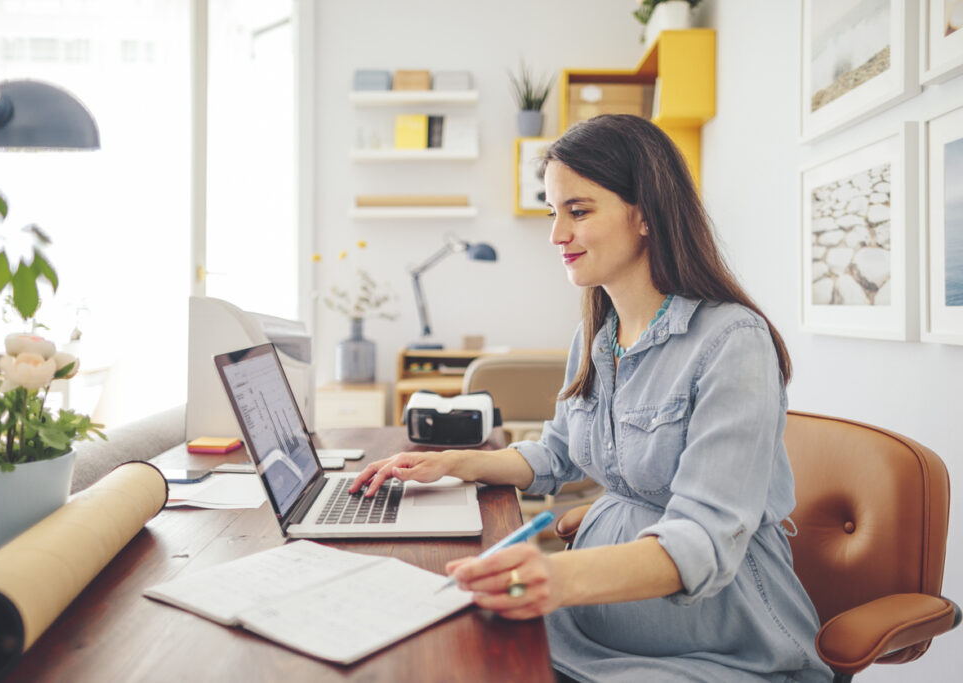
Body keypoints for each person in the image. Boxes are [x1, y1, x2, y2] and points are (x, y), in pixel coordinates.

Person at [350, 114, 830, 682]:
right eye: (554, 212)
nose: (556, 235)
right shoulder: (598, 335)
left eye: (578, 211)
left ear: (646, 213)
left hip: (715, 639)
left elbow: (704, 540)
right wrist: (455, 464)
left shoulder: (732, 342)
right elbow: (557, 453)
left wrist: (557, 580)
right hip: (592, 616)